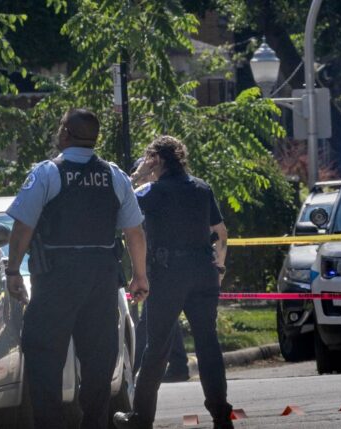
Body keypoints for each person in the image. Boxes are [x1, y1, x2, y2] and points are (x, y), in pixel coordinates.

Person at [6, 108, 149, 429]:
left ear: (65, 134)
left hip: (55, 280)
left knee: (44, 358)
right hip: (100, 280)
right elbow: (134, 232)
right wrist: (140, 276)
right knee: (98, 362)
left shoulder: (47, 173)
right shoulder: (114, 176)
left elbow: (23, 227)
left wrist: (13, 270)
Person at [114, 135, 233, 429]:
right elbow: (220, 232)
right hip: (203, 271)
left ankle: (140, 418)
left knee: (156, 348)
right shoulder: (202, 188)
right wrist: (219, 266)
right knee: (208, 343)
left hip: (168, 274)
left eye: (148, 158)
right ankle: (221, 415)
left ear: (157, 160)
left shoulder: (152, 191)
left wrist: (136, 176)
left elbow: (122, 206)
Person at [130, 157, 190, 383]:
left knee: (148, 321)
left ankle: (132, 368)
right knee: (167, 317)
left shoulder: (153, 195)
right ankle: (178, 365)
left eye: (144, 173)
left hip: (160, 266)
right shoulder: (147, 195)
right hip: (154, 265)